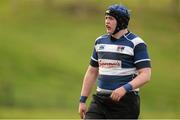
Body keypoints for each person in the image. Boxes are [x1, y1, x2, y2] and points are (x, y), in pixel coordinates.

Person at [78, 4, 151, 119]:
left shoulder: (136, 43)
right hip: (100, 101)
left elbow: (146, 75)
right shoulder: (100, 42)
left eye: (111, 18)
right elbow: (92, 72)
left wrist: (124, 88)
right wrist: (82, 100)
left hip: (125, 103)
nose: (107, 21)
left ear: (121, 22)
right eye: (106, 18)